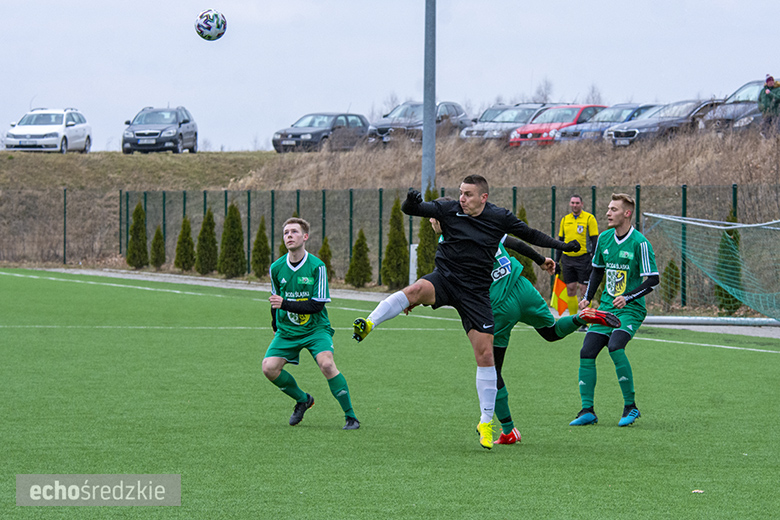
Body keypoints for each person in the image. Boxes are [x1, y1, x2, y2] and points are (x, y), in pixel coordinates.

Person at [353, 175, 581, 449]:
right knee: (415, 290)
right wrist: (409, 204)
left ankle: (486, 422)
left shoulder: (498, 217)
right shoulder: (449, 209)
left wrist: (561, 247)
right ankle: (369, 323)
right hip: (446, 279)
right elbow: (415, 210)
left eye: (468, 194)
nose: (462, 198)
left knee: (486, 355)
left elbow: (528, 235)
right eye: (460, 193)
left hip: (476, 292)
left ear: (483, 197)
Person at [422, 209, 620, 445]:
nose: (431, 221)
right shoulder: (484, 224)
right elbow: (516, 242)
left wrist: (417, 298)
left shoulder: (448, 242)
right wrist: (541, 260)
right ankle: (582, 317)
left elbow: (444, 282)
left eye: (433, 217)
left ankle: (508, 430)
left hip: (497, 306)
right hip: (521, 286)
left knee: (492, 372)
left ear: (442, 220)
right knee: (551, 332)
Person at [570, 193, 658, 427]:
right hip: (607, 308)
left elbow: (653, 280)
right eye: (608, 209)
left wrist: (628, 297)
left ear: (627, 214)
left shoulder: (640, 243)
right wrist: (588, 298)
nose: (608, 213)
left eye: (614, 209)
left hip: (631, 310)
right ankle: (587, 411)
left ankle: (631, 407)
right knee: (586, 352)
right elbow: (597, 270)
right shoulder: (604, 239)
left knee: (615, 346)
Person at [262, 218, 360, 430]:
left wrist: (285, 303)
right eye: (286, 232)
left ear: (305, 237)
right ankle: (303, 400)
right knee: (269, 368)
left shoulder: (317, 266)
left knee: (326, 364)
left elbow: (317, 304)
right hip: (287, 331)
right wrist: (275, 326)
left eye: (294, 232)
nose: (289, 235)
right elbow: (275, 301)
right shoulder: (277, 268)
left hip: (316, 328)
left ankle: (350, 416)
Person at [555, 195, 599, 325]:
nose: (575, 205)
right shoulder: (565, 220)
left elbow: (595, 240)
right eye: (573, 203)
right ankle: (574, 319)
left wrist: (593, 259)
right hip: (567, 259)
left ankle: (585, 321)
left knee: (584, 290)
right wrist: (556, 261)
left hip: (584, 258)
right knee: (570, 288)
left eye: (577, 203)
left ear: (582, 204)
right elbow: (560, 241)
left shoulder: (589, 218)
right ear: (570, 204)